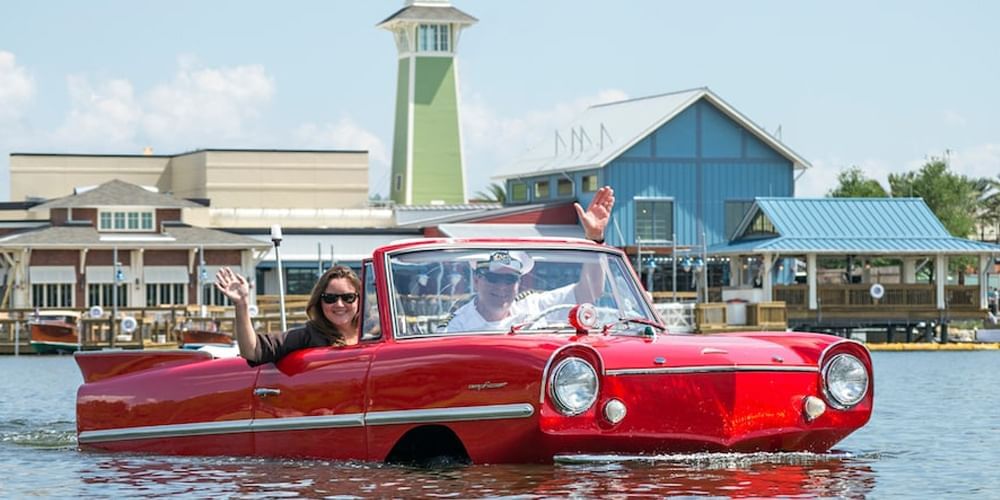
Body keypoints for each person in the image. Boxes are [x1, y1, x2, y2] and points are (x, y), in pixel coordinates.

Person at [445, 186, 615, 332]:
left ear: (518, 283)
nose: (502, 286)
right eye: (493, 278)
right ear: (476, 280)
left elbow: (589, 291)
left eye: (510, 279)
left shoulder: (535, 307)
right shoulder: (457, 325)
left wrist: (594, 238)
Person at [214, 265, 362, 366]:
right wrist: (241, 304)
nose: (340, 304)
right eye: (330, 298)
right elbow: (252, 351)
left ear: (359, 299)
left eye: (348, 297)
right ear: (319, 301)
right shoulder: (308, 336)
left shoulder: (376, 331)